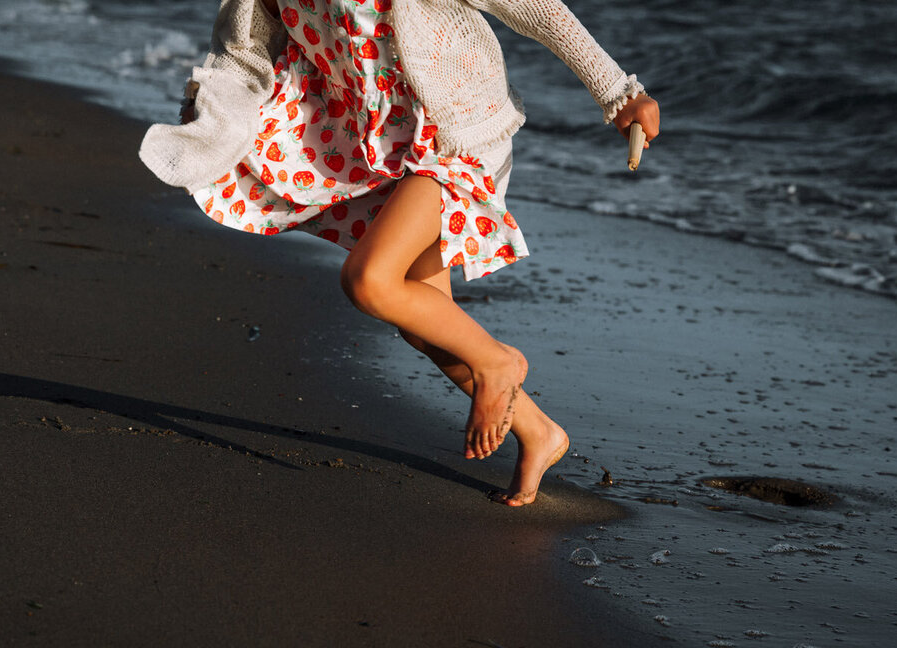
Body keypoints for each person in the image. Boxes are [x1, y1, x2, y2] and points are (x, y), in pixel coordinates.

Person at [140, 0, 660, 506]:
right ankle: (538, 431)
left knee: (369, 281)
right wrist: (207, 117)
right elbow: (242, 56)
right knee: (424, 322)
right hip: (382, 145)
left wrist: (619, 92)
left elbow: (536, 9)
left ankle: (498, 362)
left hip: (455, 133)